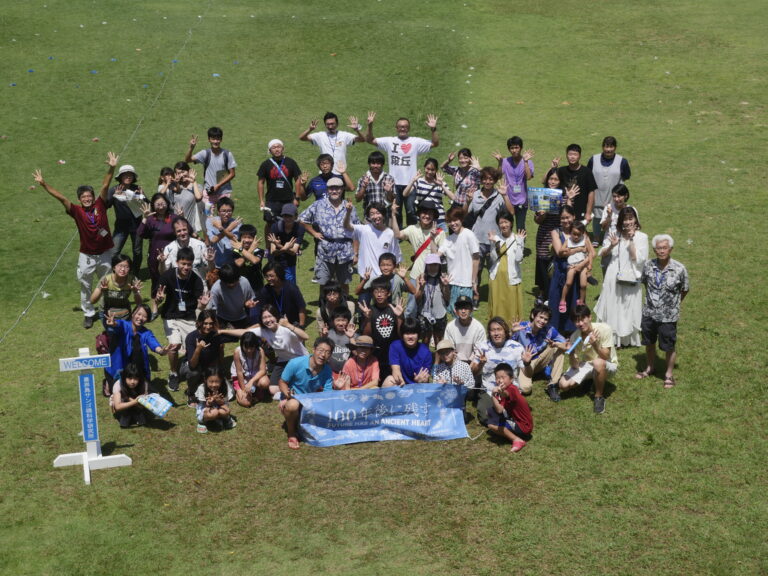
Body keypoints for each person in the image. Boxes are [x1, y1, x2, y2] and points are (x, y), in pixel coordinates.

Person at [34, 152, 118, 329]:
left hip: (104, 254)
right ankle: (88, 313)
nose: (87, 198)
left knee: (106, 283)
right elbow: (61, 198)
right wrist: (43, 184)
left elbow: (105, 185)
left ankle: (105, 309)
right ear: (80, 199)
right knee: (85, 286)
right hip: (86, 256)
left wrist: (112, 167)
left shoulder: (100, 204)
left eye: (89, 196)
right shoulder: (76, 211)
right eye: (83, 197)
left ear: (93, 197)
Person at [366, 112, 439, 226]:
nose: (402, 129)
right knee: (396, 211)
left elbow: (435, 143)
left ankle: (411, 233)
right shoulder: (389, 141)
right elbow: (370, 140)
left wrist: (433, 129)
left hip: (411, 183)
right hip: (394, 184)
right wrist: (370, 125)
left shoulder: (415, 142)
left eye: (405, 126)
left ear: (408, 128)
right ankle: (398, 233)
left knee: (411, 211)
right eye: (400, 126)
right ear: (396, 128)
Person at [636, 234, 689, 388]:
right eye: (658, 248)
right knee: (649, 342)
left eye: (664, 248)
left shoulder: (679, 268)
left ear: (670, 249)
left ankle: (669, 375)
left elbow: (684, 289)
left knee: (668, 346)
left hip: (668, 316)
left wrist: (674, 304)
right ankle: (650, 367)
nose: (661, 251)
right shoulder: (648, 266)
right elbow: (644, 283)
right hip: (649, 313)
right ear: (654, 250)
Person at [154, 246, 208, 391]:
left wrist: (202, 305)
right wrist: (159, 299)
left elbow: (199, 305)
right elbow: (158, 297)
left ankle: (189, 366)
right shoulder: (168, 276)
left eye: (189, 264)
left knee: (194, 347)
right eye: (183, 264)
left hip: (189, 317)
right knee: (174, 345)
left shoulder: (196, 279)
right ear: (177, 262)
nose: (186, 267)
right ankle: (173, 374)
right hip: (170, 315)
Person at [221, 306, 309, 395]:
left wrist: (289, 325)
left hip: (299, 359)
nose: (268, 320)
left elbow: (306, 337)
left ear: (276, 316)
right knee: (273, 390)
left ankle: (296, 385)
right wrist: (222, 331)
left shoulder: (285, 329)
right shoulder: (264, 331)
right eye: (264, 317)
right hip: (283, 361)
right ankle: (291, 386)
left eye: (270, 316)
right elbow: (244, 332)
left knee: (303, 382)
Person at [595, 207, 648, 348]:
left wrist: (631, 240)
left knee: (628, 306)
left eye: (631, 218)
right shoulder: (615, 234)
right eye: (625, 219)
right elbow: (602, 254)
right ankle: (610, 336)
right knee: (613, 304)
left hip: (631, 275)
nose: (628, 222)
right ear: (621, 221)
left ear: (636, 220)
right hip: (613, 275)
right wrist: (611, 246)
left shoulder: (642, 237)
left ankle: (627, 339)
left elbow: (637, 259)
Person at [557, 305, 618, 414]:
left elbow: (605, 356)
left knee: (598, 362)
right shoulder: (575, 337)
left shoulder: (604, 329)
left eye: (582, 319)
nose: (580, 324)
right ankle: (590, 379)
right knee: (563, 385)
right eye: (576, 321)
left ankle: (598, 397)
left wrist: (594, 344)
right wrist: (571, 353)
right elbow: (575, 365)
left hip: (607, 364)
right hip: (588, 364)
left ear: (590, 317)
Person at [300, 179, 359, 293]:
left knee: (344, 283)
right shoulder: (318, 205)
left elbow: (357, 231)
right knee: (323, 283)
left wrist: (356, 253)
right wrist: (313, 233)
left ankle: (344, 307)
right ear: (327, 190)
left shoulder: (350, 207)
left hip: (345, 252)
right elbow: (302, 220)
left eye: (337, 188)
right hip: (325, 251)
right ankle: (324, 308)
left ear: (342, 190)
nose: (334, 191)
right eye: (331, 188)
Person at [278, 337, 336, 449]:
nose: (323, 355)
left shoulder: (327, 370)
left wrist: (337, 389)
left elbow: (327, 394)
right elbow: (282, 382)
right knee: (292, 405)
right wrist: (286, 394)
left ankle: (303, 422)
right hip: (292, 398)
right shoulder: (295, 363)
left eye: (327, 352)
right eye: (320, 350)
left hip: (311, 401)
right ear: (313, 350)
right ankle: (292, 433)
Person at [391, 199, 445, 317]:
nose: (426, 216)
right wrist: (393, 215)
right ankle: (409, 332)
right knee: (411, 308)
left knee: (430, 308)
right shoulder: (412, 229)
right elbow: (397, 235)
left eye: (430, 213)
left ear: (434, 216)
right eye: (424, 213)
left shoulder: (440, 233)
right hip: (416, 275)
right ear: (419, 214)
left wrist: (432, 238)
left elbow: (435, 257)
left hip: (432, 277)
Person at [104, 304, 177, 392]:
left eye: (145, 316)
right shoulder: (125, 325)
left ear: (148, 319)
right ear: (132, 314)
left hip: (136, 370)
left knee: (146, 394)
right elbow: (119, 324)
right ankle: (108, 383)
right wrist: (114, 323)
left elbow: (154, 344)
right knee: (120, 396)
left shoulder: (146, 333)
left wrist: (161, 351)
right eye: (138, 314)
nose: (141, 318)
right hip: (118, 368)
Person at [471, 317, 529, 424]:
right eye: (493, 330)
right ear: (489, 332)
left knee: (518, 414)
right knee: (485, 417)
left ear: (505, 331)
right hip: (489, 390)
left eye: (499, 329)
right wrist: (481, 363)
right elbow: (473, 372)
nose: (496, 333)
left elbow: (528, 374)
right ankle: (502, 420)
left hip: (511, 390)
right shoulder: (482, 347)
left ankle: (505, 419)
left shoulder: (516, 347)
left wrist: (527, 363)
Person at [548, 206, 594, 334]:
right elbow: (559, 253)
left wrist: (582, 265)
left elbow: (591, 252)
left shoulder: (581, 231)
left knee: (575, 300)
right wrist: (578, 250)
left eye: (568, 217)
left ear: (573, 217)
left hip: (578, 272)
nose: (565, 220)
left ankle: (574, 331)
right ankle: (555, 330)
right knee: (557, 300)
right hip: (561, 271)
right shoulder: (555, 232)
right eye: (562, 218)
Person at [466, 167, 511, 297]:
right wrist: (468, 201)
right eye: (485, 179)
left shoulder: (499, 195)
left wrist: (505, 195)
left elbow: (511, 212)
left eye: (491, 179)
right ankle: (475, 295)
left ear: (495, 180)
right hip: (477, 239)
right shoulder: (474, 195)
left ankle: (496, 295)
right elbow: (466, 213)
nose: (487, 181)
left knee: (494, 269)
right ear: (481, 180)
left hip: (494, 240)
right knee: (476, 270)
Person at [513, 304, 568, 402]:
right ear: (533, 316)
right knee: (526, 389)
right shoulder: (521, 328)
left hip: (539, 359)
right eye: (540, 317)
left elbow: (566, 345)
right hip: (524, 363)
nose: (542, 321)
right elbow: (505, 345)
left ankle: (553, 385)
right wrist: (511, 333)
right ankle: (535, 373)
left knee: (558, 348)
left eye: (545, 319)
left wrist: (556, 344)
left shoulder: (549, 330)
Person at [359, 276, 404, 381]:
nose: (379, 294)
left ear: (388, 293)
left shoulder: (394, 309)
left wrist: (399, 317)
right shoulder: (369, 310)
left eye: (382, 291)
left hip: (393, 351)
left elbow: (401, 334)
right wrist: (368, 319)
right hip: (375, 352)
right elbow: (366, 336)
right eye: (376, 291)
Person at [588, 136, 631, 244]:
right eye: (606, 146)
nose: (608, 149)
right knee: (597, 216)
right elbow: (588, 175)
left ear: (615, 147)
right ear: (603, 147)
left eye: (611, 146)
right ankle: (596, 238)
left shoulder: (622, 161)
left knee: (614, 216)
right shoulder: (593, 159)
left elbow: (626, 175)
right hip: (597, 195)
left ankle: (614, 236)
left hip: (614, 196)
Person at [438, 207, 480, 313]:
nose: (453, 224)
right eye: (450, 221)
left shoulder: (469, 234)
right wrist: (432, 239)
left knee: (465, 315)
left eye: (455, 220)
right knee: (453, 314)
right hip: (451, 283)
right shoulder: (448, 239)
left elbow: (476, 259)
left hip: (466, 284)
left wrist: (473, 281)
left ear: (461, 219)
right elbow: (436, 255)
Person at [345, 201, 402, 280]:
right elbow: (347, 226)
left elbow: (396, 255)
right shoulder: (364, 229)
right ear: (369, 217)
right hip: (366, 276)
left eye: (378, 213)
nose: (375, 216)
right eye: (372, 214)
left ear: (383, 215)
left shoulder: (390, 234)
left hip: (384, 276)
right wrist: (348, 213)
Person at [180, 310, 225, 406]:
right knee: (194, 372)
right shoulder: (191, 337)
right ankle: (191, 393)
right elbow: (192, 365)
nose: (208, 327)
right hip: (191, 367)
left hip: (207, 367)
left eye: (211, 324)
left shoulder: (215, 336)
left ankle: (202, 383)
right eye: (205, 323)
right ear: (199, 323)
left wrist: (221, 350)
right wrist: (198, 349)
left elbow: (219, 361)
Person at [487, 362, 534, 453]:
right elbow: (499, 410)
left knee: (492, 425)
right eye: (497, 378)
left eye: (503, 377)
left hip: (524, 426)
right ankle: (511, 432)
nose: (500, 380)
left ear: (511, 379)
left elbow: (505, 394)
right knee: (490, 413)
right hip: (516, 420)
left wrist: (500, 392)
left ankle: (517, 440)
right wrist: (493, 395)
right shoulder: (500, 391)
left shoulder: (512, 389)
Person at [533, 168, 566, 299]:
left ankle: (555, 292)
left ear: (560, 181)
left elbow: (568, 217)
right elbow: (537, 220)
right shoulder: (541, 195)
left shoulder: (565, 196)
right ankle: (543, 292)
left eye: (556, 179)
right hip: (544, 234)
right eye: (551, 179)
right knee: (542, 261)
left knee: (556, 262)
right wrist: (542, 214)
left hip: (558, 234)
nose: (552, 182)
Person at [184, 126, 237, 207]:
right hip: (209, 193)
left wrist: (218, 186)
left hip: (224, 193)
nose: (216, 141)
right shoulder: (205, 153)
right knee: (208, 218)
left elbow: (232, 174)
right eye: (213, 139)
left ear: (221, 139)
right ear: (209, 139)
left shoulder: (227, 154)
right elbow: (187, 160)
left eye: (218, 139)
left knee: (224, 217)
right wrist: (191, 147)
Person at [107, 163, 146, 271]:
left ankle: (135, 273)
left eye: (130, 175)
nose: (128, 177)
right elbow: (105, 205)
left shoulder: (137, 189)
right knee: (114, 252)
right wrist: (114, 196)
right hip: (120, 227)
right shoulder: (113, 190)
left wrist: (142, 197)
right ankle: (113, 274)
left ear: (133, 177)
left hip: (137, 226)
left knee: (137, 252)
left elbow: (148, 204)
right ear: (120, 177)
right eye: (125, 174)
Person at [137, 192, 178, 295]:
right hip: (155, 255)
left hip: (172, 254)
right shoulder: (150, 219)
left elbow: (186, 231)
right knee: (156, 280)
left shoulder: (174, 218)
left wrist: (182, 218)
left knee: (174, 278)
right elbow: (140, 233)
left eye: (163, 204)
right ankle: (155, 304)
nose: (161, 207)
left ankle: (172, 302)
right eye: (158, 205)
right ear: (153, 206)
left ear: (167, 204)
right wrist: (145, 218)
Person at [488, 211, 525, 320]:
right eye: (501, 223)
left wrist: (520, 242)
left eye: (506, 222)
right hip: (496, 278)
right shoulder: (495, 238)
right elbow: (493, 258)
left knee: (511, 306)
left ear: (511, 223)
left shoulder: (517, 238)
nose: (503, 225)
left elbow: (519, 259)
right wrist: (494, 244)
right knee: (498, 305)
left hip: (511, 278)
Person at [90, 254, 143, 328]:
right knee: (112, 335)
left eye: (126, 267)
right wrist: (101, 290)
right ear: (114, 267)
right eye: (120, 266)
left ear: (130, 269)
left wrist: (135, 292)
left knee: (124, 336)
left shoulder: (132, 280)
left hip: (125, 314)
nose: (123, 269)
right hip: (107, 314)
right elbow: (92, 301)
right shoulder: (106, 280)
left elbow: (139, 304)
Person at [493, 136, 534, 232]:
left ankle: (520, 246)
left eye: (516, 147)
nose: (514, 150)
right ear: (508, 149)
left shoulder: (528, 161)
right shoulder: (505, 161)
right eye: (512, 148)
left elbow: (528, 177)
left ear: (521, 148)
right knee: (505, 225)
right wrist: (499, 163)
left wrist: (526, 162)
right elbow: (498, 176)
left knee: (520, 227)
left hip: (522, 201)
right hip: (508, 199)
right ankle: (507, 246)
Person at [257, 139, 303, 224]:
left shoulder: (291, 162)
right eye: (273, 148)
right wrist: (262, 201)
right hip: (271, 200)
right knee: (270, 222)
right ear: (270, 151)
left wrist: (297, 198)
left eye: (279, 147)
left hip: (288, 199)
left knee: (290, 223)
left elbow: (297, 180)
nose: (277, 149)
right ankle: (269, 238)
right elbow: (260, 182)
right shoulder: (266, 164)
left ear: (283, 148)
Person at [252, 262, 307, 329]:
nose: (268, 279)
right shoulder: (266, 290)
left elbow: (301, 308)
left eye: (271, 276)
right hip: (275, 325)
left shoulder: (291, 288)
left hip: (292, 324)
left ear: (279, 275)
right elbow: (259, 305)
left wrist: (301, 326)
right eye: (266, 276)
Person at [298, 112, 365, 166]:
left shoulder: (344, 135)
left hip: (341, 172)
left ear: (337, 124)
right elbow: (301, 138)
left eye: (332, 124)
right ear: (325, 125)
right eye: (328, 124)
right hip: (325, 172)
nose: (330, 126)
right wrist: (310, 129)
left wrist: (357, 130)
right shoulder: (320, 136)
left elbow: (362, 140)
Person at [382, 318, 433, 386]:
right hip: (401, 383)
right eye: (407, 333)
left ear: (418, 335)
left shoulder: (426, 352)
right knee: (389, 380)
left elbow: (425, 377)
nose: (410, 337)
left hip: (418, 385)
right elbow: (395, 370)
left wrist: (419, 380)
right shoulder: (395, 346)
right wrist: (400, 381)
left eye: (413, 333)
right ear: (402, 335)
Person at [402, 158, 454, 224]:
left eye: (432, 170)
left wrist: (442, 185)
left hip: (438, 219)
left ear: (436, 170)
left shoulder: (440, 182)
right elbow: (405, 194)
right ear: (424, 168)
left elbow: (453, 198)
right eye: (428, 169)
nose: (429, 172)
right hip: (423, 219)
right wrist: (412, 181)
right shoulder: (419, 181)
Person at [556, 144, 597, 227]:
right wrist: (553, 168)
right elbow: (548, 183)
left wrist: (588, 213)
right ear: (566, 155)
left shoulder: (586, 172)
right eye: (570, 154)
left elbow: (591, 192)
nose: (572, 157)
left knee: (578, 234)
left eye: (575, 154)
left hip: (580, 209)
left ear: (579, 156)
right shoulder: (561, 170)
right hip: (564, 210)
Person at [414, 253, 450, 345]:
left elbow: (447, 298)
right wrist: (422, 287)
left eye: (435, 265)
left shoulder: (443, 277)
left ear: (439, 266)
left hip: (440, 313)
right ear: (426, 266)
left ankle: (438, 359)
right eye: (430, 265)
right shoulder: (421, 277)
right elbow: (417, 299)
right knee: (425, 338)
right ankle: (426, 358)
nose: (433, 267)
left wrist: (445, 286)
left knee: (439, 339)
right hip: (424, 314)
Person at [208, 264, 257, 330]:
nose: (232, 284)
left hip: (242, 316)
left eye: (235, 282)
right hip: (223, 318)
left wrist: (248, 303)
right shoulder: (216, 288)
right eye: (229, 283)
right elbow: (212, 310)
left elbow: (250, 298)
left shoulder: (244, 282)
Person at [166, 162, 205, 240]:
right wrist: (176, 183)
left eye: (183, 172)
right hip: (174, 226)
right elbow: (176, 190)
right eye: (178, 173)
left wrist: (194, 182)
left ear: (189, 171)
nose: (181, 175)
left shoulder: (196, 186)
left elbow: (198, 198)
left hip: (189, 226)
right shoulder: (173, 186)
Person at [231, 331, 271, 407]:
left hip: (255, 377)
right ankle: (240, 392)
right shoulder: (237, 352)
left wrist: (251, 381)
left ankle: (257, 391)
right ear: (242, 345)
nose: (249, 350)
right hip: (242, 378)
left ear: (255, 345)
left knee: (265, 383)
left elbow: (263, 370)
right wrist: (243, 390)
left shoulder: (260, 351)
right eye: (246, 347)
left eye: (251, 347)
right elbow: (239, 372)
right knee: (246, 403)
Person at [267, 204, 304, 282]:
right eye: (285, 216)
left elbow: (293, 252)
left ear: (296, 216)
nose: (287, 219)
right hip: (275, 263)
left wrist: (280, 246)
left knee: (290, 288)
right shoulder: (275, 227)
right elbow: (273, 251)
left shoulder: (299, 229)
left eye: (290, 216)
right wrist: (284, 248)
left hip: (289, 264)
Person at [445, 296, 487, 366]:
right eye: (460, 308)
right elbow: (449, 350)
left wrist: (469, 368)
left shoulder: (479, 328)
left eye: (466, 308)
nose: (463, 311)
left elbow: (479, 352)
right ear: (456, 310)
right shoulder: (450, 327)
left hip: (473, 362)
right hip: (455, 363)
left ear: (471, 310)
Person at [558, 221, 590, 312]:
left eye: (578, 235)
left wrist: (585, 264)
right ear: (570, 232)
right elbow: (560, 252)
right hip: (571, 265)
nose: (576, 237)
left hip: (582, 265)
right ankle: (563, 300)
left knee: (583, 285)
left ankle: (581, 301)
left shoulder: (585, 240)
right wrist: (565, 249)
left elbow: (589, 254)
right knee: (568, 283)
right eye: (574, 234)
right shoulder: (568, 241)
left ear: (582, 233)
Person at [194, 367, 236, 433]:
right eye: (211, 382)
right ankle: (202, 422)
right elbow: (203, 405)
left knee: (225, 411)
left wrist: (220, 401)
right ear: (205, 380)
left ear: (221, 380)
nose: (214, 385)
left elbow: (225, 404)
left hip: (220, 406)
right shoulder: (201, 388)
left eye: (217, 382)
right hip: (205, 408)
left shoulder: (225, 387)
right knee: (214, 412)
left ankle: (224, 418)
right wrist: (209, 403)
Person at [110, 362, 150, 428]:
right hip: (123, 402)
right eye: (130, 378)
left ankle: (136, 415)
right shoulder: (118, 385)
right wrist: (135, 401)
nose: (132, 382)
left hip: (136, 403)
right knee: (124, 423)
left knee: (142, 421)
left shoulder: (144, 384)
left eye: (136, 379)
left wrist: (136, 402)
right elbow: (118, 406)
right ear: (124, 377)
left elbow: (143, 406)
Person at [206, 197, 242, 269]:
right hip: (215, 263)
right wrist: (229, 229)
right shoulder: (211, 221)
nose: (226, 214)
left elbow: (235, 239)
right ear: (218, 212)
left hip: (232, 263)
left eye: (229, 211)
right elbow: (213, 240)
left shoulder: (236, 223)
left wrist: (222, 229)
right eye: (223, 211)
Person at [320, 305, 357, 376]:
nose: (340, 323)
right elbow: (320, 349)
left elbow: (356, 353)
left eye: (343, 320)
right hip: (330, 371)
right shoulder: (329, 334)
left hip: (348, 372)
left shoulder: (354, 335)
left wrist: (351, 337)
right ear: (333, 321)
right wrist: (324, 337)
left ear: (348, 321)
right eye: (338, 320)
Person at [232, 223, 265, 293]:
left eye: (250, 237)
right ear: (240, 238)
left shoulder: (259, 251)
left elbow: (255, 261)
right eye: (244, 237)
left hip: (257, 286)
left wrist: (241, 249)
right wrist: (250, 250)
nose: (247, 240)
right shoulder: (235, 251)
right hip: (240, 287)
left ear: (254, 238)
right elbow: (239, 263)